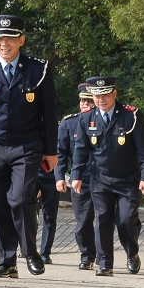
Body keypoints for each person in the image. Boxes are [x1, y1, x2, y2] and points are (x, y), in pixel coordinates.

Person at [0, 15, 58, 279]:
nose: (5, 43)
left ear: (21, 40)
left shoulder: (39, 70)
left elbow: (49, 114)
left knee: (20, 198)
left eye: (11, 38)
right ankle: (6, 260)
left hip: (27, 146)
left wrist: (51, 151)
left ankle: (31, 252)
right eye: (0, 38)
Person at [70, 76, 144, 276]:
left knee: (125, 220)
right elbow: (80, 150)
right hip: (100, 178)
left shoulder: (131, 116)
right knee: (103, 218)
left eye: (106, 95)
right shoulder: (86, 118)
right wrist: (76, 175)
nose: (101, 99)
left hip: (128, 179)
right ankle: (105, 264)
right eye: (97, 95)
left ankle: (132, 252)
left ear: (114, 94)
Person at [55, 82, 96, 270]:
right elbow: (60, 153)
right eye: (83, 101)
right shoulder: (69, 123)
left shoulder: (108, 122)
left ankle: (104, 257)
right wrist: (60, 177)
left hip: (105, 179)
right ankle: (87, 255)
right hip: (81, 180)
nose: (86, 105)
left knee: (107, 220)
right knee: (83, 221)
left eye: (89, 101)